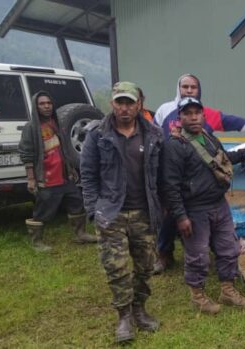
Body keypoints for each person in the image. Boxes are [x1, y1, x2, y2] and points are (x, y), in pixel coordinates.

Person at [80, 81, 163, 343]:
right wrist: (94, 210)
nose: (125, 108)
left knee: (146, 267)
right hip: (111, 213)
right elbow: (88, 175)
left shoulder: (154, 135)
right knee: (116, 268)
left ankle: (139, 309)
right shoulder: (97, 135)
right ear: (112, 103)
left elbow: (162, 176)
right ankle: (124, 317)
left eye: (130, 102)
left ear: (139, 104)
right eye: (120, 102)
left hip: (144, 213)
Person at [152, 73, 245, 274]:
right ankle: (164, 253)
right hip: (172, 175)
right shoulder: (165, 111)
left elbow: (233, 125)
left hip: (202, 186)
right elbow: (152, 136)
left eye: (193, 87)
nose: (189, 90)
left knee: (208, 226)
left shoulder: (207, 118)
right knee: (168, 218)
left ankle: (220, 264)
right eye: (185, 86)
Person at [160, 97, 245, 314]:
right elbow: (170, 186)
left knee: (229, 248)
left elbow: (223, 159)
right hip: (194, 209)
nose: (193, 117)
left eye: (197, 113)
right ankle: (197, 296)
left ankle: (227, 291)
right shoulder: (174, 146)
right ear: (179, 118)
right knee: (198, 255)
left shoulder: (209, 137)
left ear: (203, 115)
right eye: (187, 113)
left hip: (218, 204)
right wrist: (181, 216)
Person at [18, 91, 98, 252]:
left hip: (64, 176)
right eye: (42, 103)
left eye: (49, 103)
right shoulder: (31, 128)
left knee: (76, 202)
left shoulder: (55, 124)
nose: (46, 106)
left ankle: (80, 234)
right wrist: (31, 179)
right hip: (46, 177)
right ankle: (37, 242)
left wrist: (70, 167)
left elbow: (63, 149)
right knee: (43, 210)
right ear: (36, 106)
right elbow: (26, 154)